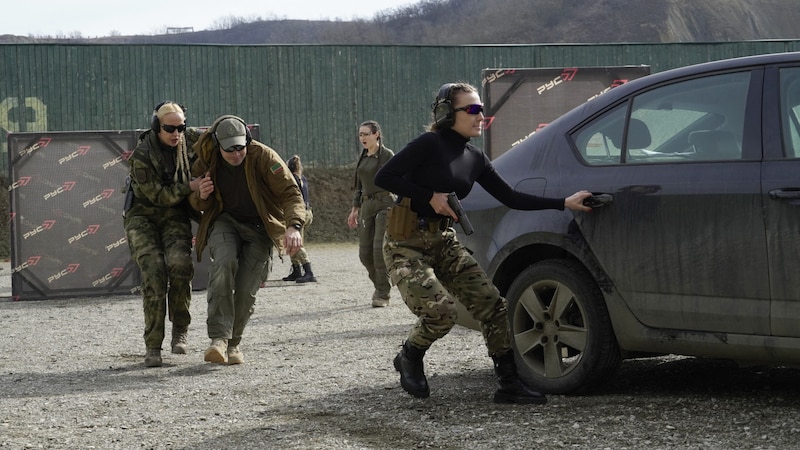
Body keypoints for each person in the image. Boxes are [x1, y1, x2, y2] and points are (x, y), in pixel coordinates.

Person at [374, 82, 592, 403]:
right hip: (405, 242)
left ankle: (509, 384)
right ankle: (410, 355)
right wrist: (427, 196)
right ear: (448, 113)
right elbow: (384, 177)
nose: (480, 116)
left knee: (494, 306)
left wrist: (565, 203)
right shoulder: (429, 144)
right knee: (441, 312)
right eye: (472, 109)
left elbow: (512, 197)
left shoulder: (474, 158)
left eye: (481, 109)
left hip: (442, 239)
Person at [189, 115, 306, 365]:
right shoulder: (207, 160)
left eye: (240, 147)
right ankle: (218, 340)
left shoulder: (264, 157)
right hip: (225, 221)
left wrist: (294, 226)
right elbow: (195, 202)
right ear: (218, 145)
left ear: (248, 141)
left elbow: (291, 193)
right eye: (229, 148)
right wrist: (201, 194)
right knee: (223, 265)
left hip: (260, 228)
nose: (235, 153)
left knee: (246, 287)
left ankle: (233, 344)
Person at [124, 101, 204, 367]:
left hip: (174, 217)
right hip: (143, 217)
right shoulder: (142, 156)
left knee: (181, 263)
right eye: (170, 128)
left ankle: (180, 327)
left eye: (181, 127)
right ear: (156, 127)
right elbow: (159, 196)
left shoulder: (187, 139)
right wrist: (190, 186)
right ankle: (153, 345)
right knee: (154, 269)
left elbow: (217, 139)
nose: (176, 133)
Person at [347, 120, 395, 307]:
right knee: (364, 253)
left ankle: (383, 294)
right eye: (360, 135)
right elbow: (359, 187)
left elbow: (397, 178)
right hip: (366, 206)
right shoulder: (363, 157)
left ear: (377, 135)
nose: (363, 138)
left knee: (378, 250)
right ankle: (380, 284)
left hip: (385, 204)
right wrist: (354, 210)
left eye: (366, 134)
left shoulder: (387, 155)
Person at [280, 155, 317, 283]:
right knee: (294, 240)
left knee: (295, 242)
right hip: (307, 212)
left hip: (299, 213)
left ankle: (308, 271)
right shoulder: (303, 178)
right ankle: (296, 270)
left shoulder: (292, 179)